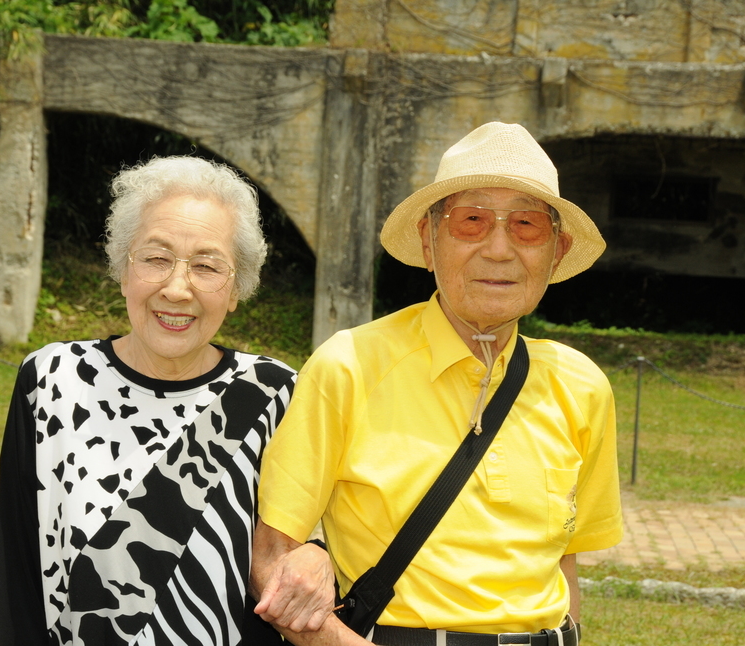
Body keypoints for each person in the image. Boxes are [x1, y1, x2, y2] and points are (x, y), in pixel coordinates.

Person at [251, 122, 624, 645]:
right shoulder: (349, 366)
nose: (499, 249)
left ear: (556, 252)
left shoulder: (582, 385)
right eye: (471, 221)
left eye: (527, 225)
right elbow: (273, 560)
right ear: (429, 241)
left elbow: (563, 563)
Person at [0, 155, 327, 645]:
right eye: (156, 258)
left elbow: (307, 548)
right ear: (123, 270)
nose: (177, 289)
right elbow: (18, 575)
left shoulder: (274, 393)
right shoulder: (51, 381)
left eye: (207, 266)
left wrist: (319, 557)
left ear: (236, 289)